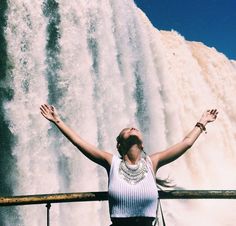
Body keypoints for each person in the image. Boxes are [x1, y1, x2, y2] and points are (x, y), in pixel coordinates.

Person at [40, 104, 218, 226]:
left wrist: (202, 121)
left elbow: (186, 143)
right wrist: (57, 121)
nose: (132, 127)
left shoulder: (151, 162)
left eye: (135, 129)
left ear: (142, 144)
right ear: (119, 145)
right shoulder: (112, 162)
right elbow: (80, 143)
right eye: (126, 130)